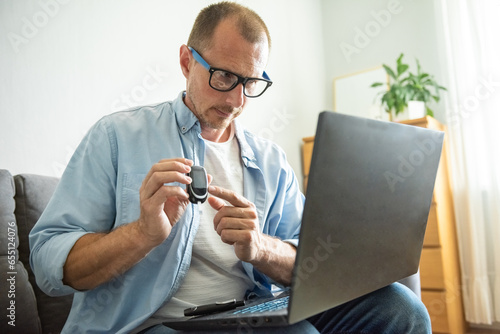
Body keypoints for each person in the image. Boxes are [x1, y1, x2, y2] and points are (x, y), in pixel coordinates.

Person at [29, 2, 431, 333]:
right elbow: (48, 261)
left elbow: (313, 265)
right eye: (224, 76)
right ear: (187, 61)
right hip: (151, 324)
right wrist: (142, 234)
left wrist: (260, 247)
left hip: (253, 312)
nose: (237, 99)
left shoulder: (271, 161)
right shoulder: (117, 136)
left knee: (400, 308)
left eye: (251, 83)